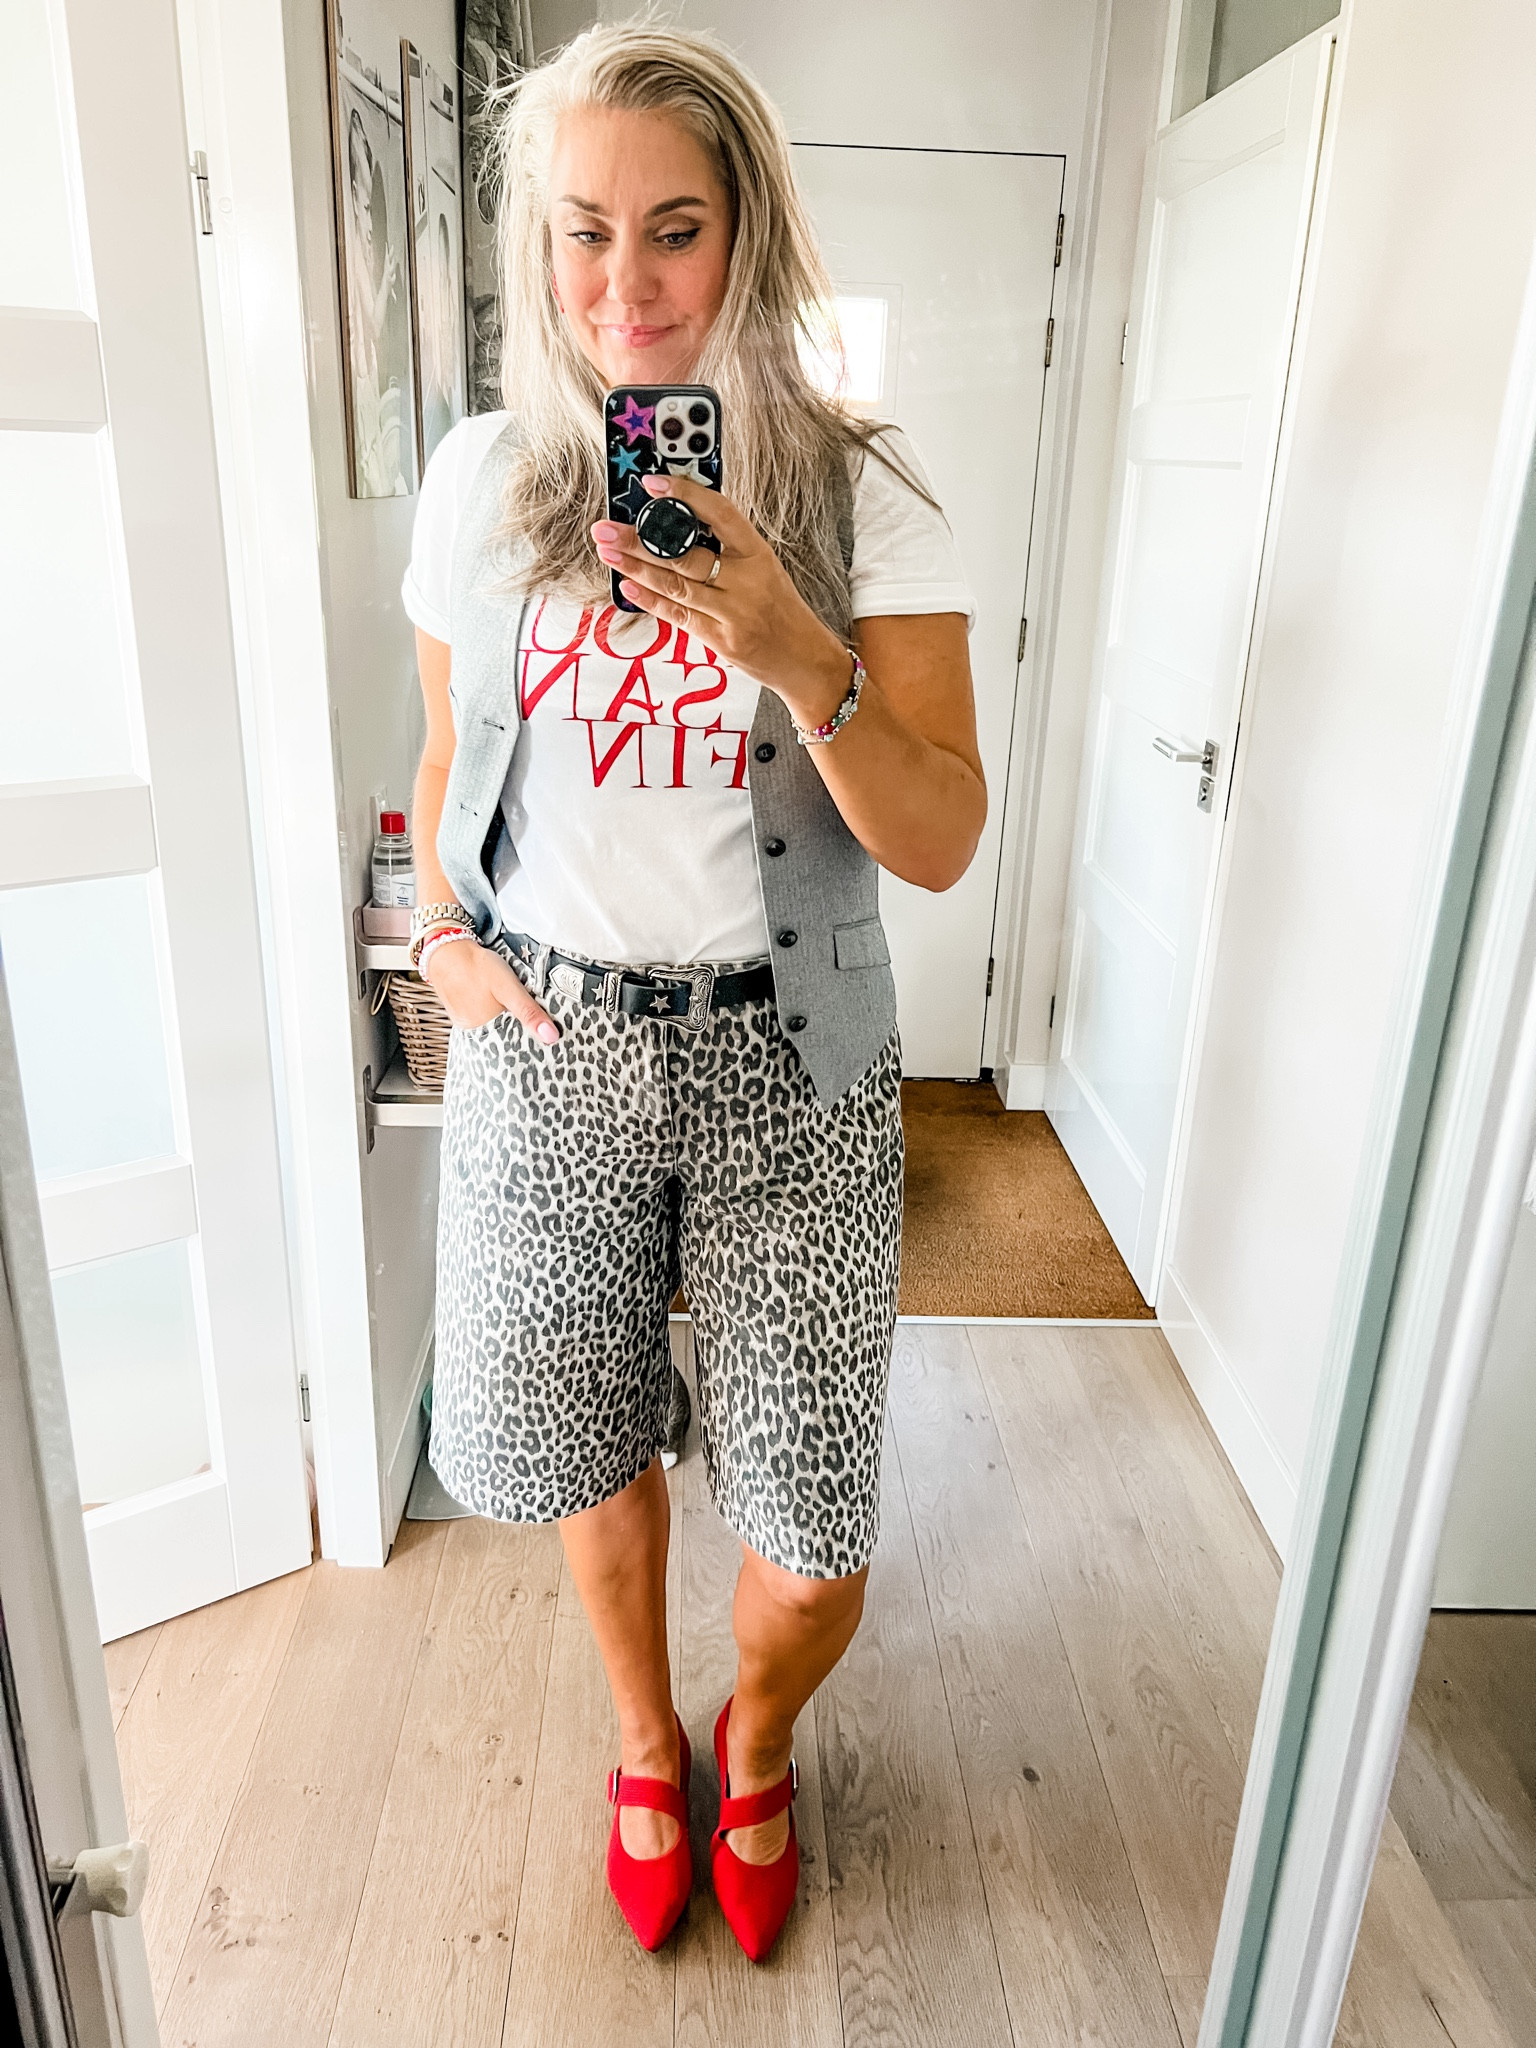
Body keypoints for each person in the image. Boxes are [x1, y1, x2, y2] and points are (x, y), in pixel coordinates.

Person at [401, 20, 983, 1962]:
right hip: (548, 1046)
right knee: (586, 1444)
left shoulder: (859, 496)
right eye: (582, 233)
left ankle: (763, 1728)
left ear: (750, 238)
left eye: (674, 230)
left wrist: (793, 646)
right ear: (532, 247)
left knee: (815, 1536)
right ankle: (653, 1742)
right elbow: (444, 761)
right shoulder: (485, 480)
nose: (625, 289)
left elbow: (939, 834)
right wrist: (442, 943)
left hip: (787, 1063)